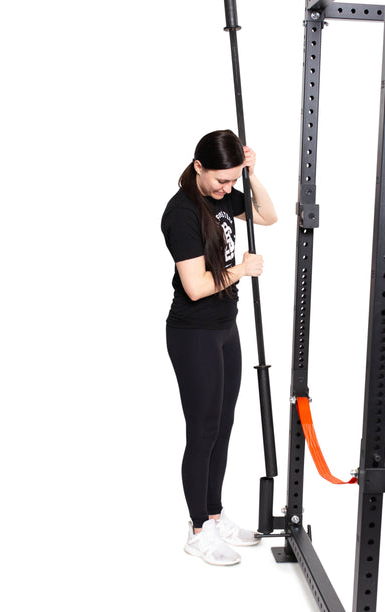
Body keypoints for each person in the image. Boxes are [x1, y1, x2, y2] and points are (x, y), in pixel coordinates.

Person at [161, 130, 278, 566]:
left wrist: (251, 174)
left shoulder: (225, 195)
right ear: (198, 167)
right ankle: (197, 530)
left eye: (232, 181)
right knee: (203, 429)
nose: (226, 189)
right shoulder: (182, 213)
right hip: (193, 333)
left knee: (224, 425)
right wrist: (241, 269)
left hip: (225, 327)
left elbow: (268, 216)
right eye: (220, 180)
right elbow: (195, 288)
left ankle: (214, 513)